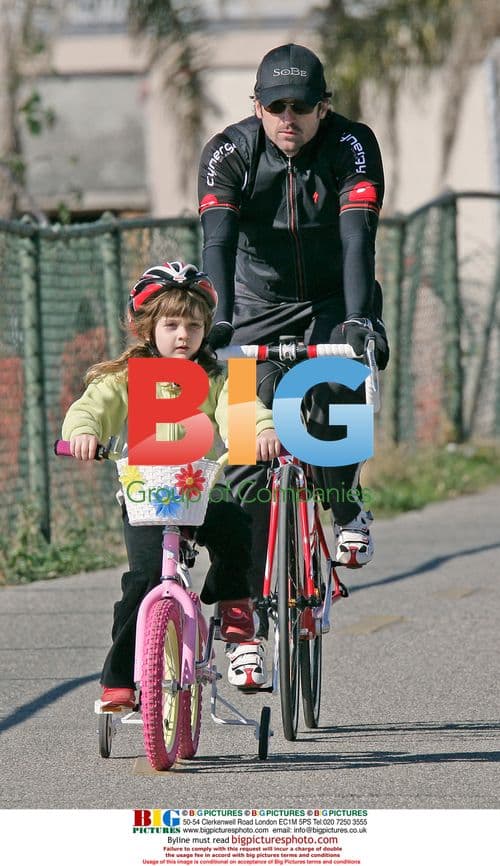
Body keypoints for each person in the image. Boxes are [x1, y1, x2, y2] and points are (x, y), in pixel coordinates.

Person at [197, 43, 390, 687]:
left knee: (333, 398)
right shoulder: (229, 152)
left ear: (322, 107)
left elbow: (358, 236)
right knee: (249, 457)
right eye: (274, 106)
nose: (288, 117)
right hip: (254, 305)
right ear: (255, 105)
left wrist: (361, 321)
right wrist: (217, 323)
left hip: (337, 298)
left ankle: (343, 504)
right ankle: (243, 622)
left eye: (301, 107)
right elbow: (217, 243)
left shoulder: (351, 146)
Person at [61, 261, 280, 707]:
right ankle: (118, 678)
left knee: (238, 527)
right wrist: (82, 434)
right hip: (146, 495)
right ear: (148, 328)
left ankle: (235, 606)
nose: (184, 335)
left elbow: (241, 410)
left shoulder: (218, 376)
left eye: (194, 325)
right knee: (140, 581)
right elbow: (91, 408)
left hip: (200, 490)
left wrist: (259, 431)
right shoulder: (122, 377)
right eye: (172, 324)